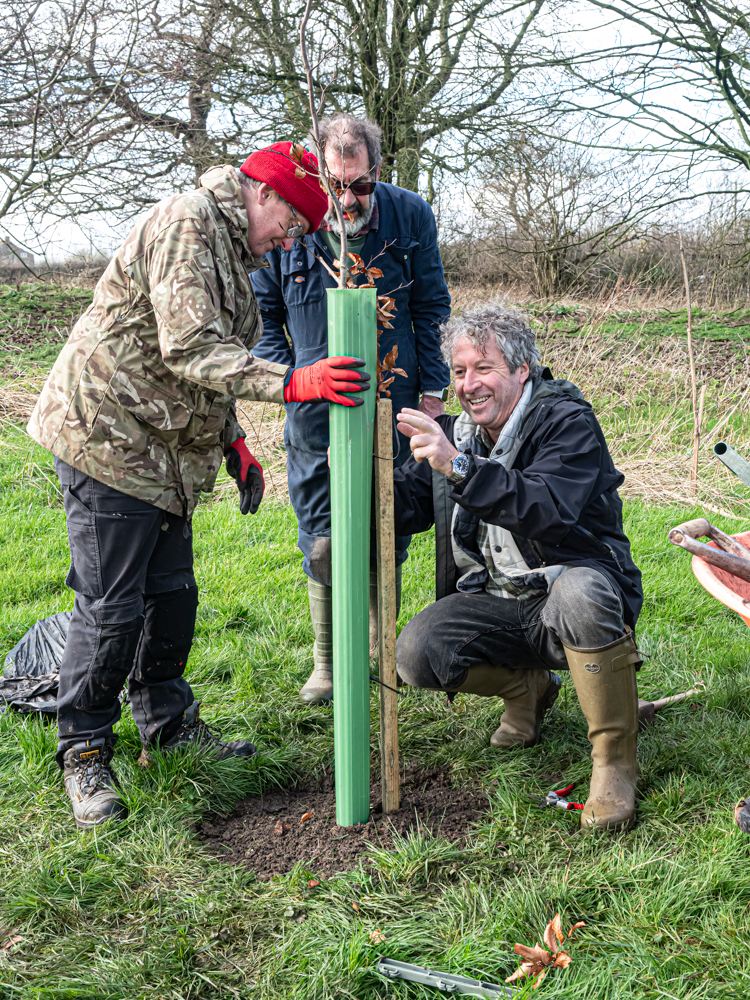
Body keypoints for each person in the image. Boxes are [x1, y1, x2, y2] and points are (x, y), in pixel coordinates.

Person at [26, 142, 371, 829]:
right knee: (112, 607)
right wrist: (292, 382)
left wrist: (233, 439)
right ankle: (85, 750)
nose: (286, 243)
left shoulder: (230, 249)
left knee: (173, 597)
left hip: (165, 452)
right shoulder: (188, 221)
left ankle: (168, 726)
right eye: (292, 225)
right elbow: (189, 347)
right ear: (264, 194)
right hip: (107, 437)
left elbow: (208, 359)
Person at [392, 304, 644, 830]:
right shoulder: (460, 434)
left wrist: (459, 468)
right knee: (418, 653)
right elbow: (411, 503)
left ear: (522, 370)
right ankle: (526, 690)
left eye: (484, 368)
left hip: (570, 600)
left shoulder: (566, 421)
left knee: (580, 592)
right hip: (503, 602)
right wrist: (355, 469)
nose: (469, 384)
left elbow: (547, 509)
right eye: (460, 372)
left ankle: (614, 762)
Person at [252, 113, 451, 705]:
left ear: (377, 172)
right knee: (320, 526)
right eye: (334, 185)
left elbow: (431, 306)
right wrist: (288, 381)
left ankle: (378, 646)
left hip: (397, 394)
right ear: (316, 172)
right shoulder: (290, 224)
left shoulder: (410, 214)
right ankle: (328, 659)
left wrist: (435, 392)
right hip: (313, 402)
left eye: (359, 185)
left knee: (389, 516)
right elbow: (265, 322)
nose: (346, 198)